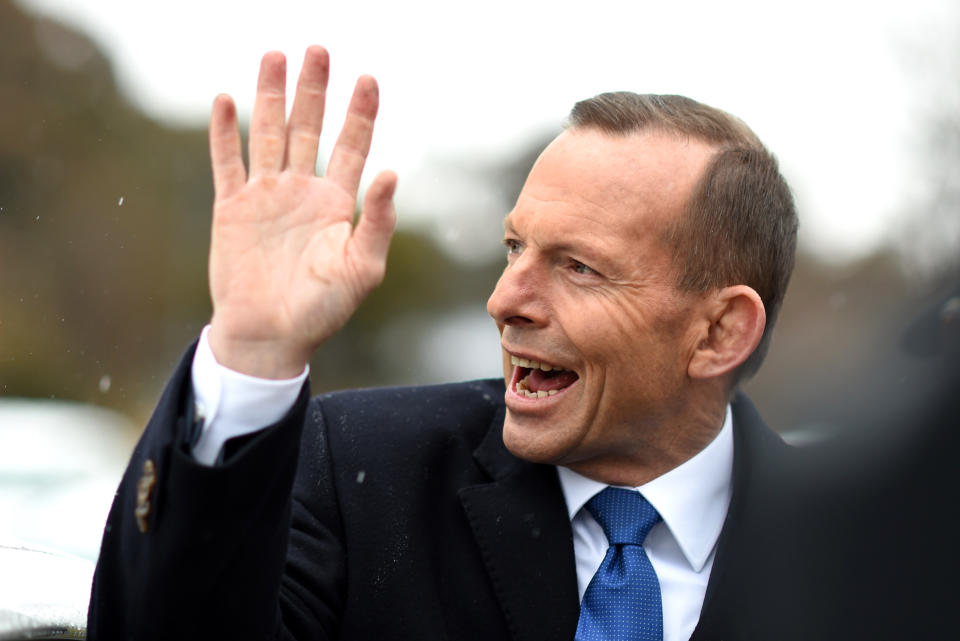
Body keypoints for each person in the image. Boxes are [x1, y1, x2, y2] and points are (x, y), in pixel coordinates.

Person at [87, 47, 802, 640]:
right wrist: (251, 355)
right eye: (514, 247)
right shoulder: (361, 472)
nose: (504, 301)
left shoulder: (872, 549)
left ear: (719, 332)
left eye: (578, 267)